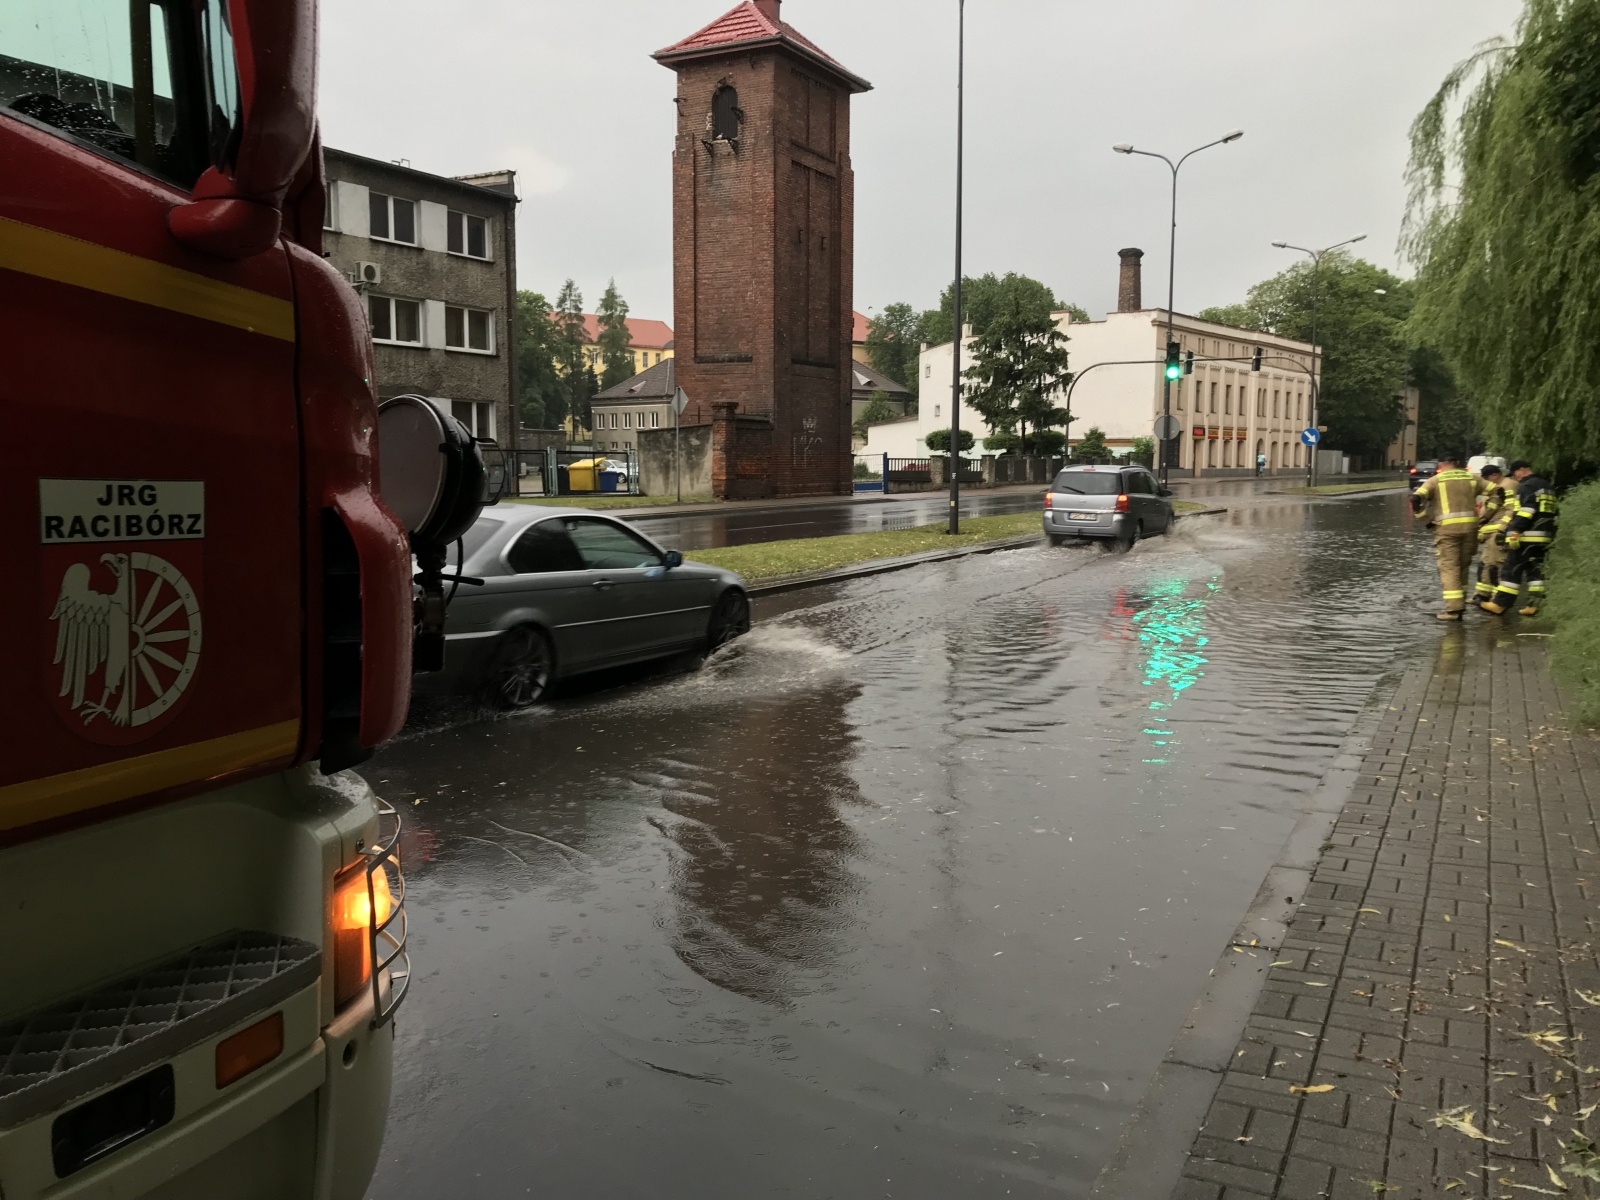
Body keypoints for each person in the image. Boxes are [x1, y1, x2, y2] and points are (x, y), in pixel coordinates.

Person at [1410, 451, 1491, 621]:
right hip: (1471, 528)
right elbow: (1498, 492)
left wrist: (1426, 520)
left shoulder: (1435, 480)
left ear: (1440, 464)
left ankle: (1453, 610)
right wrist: (1487, 515)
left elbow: (1415, 500)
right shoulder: (1472, 478)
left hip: (1446, 530)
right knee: (1463, 566)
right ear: (1458, 462)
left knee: (1449, 567)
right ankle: (1460, 602)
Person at [1482, 460, 1560, 616]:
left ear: (1523, 470)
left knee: (1512, 569)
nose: (1516, 478)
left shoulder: (1527, 486)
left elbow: (1526, 511)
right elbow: (1555, 513)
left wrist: (1515, 530)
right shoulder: (1547, 487)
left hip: (1527, 536)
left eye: (1516, 473)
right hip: (1544, 536)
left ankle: (1500, 604)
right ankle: (1534, 605)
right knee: (1535, 572)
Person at [1473, 465, 1513, 606]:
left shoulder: (1507, 486)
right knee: (1486, 563)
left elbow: (1511, 510)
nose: (1486, 482)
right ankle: (1483, 595)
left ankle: (1498, 600)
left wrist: (1502, 529)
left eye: (1486, 478)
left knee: (1497, 565)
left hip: (1499, 532)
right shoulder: (1496, 487)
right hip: (1491, 533)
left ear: (1495, 475)